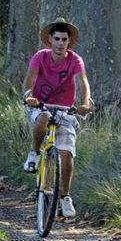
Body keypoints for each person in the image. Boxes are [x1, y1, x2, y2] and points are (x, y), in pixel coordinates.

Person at [22, 18, 91, 217]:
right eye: (57, 39)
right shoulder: (40, 57)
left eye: (64, 40)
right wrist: (29, 96)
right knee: (42, 118)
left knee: (67, 152)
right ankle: (34, 154)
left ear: (69, 42)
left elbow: (83, 82)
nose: (60, 43)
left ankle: (65, 197)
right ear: (50, 40)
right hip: (40, 104)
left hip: (64, 109)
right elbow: (29, 78)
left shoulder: (75, 60)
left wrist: (85, 103)